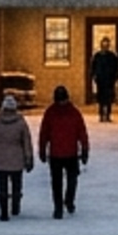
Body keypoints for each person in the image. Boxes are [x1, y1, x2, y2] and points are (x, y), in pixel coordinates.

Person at [38, 84, 90, 218]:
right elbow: (82, 133)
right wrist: (84, 150)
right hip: (69, 153)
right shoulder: (74, 112)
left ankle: (59, 207)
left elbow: (44, 133)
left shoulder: (51, 112)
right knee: (70, 180)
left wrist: (42, 149)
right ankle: (67, 202)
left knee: (57, 182)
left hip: (57, 154)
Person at [0, 94, 33, 220]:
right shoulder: (21, 123)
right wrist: (29, 158)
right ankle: (15, 206)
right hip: (16, 160)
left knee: (2, 187)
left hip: (1, 160)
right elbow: (26, 142)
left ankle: (3, 212)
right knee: (16, 185)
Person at [87, 41, 118, 123]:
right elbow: (93, 67)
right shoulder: (97, 56)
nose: (105, 47)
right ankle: (101, 114)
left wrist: (116, 76)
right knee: (101, 98)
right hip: (101, 80)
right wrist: (94, 76)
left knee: (109, 99)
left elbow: (116, 67)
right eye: (103, 45)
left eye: (106, 45)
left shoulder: (112, 56)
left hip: (110, 80)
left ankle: (108, 115)